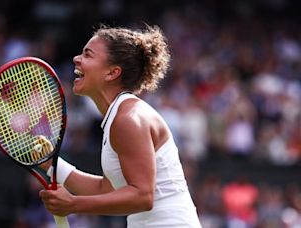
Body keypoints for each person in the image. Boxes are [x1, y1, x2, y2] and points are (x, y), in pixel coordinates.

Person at [39, 24, 202, 227]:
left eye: (88, 55)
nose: (76, 59)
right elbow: (106, 189)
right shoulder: (118, 117)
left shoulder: (128, 119)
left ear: (112, 73)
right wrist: (52, 165)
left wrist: (73, 204)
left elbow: (143, 196)